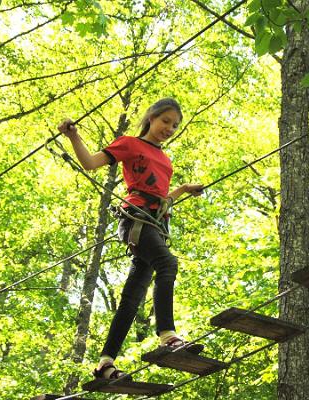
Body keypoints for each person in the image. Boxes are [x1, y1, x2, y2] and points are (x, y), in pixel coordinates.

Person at [57, 98, 204, 381]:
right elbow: (90, 163)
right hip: (135, 221)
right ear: (151, 117)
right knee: (167, 264)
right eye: (165, 121)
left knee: (131, 299)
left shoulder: (165, 159)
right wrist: (73, 136)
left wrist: (183, 189)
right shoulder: (130, 144)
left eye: (174, 125)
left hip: (155, 224)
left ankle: (105, 363)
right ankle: (168, 336)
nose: (169, 128)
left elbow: (161, 198)